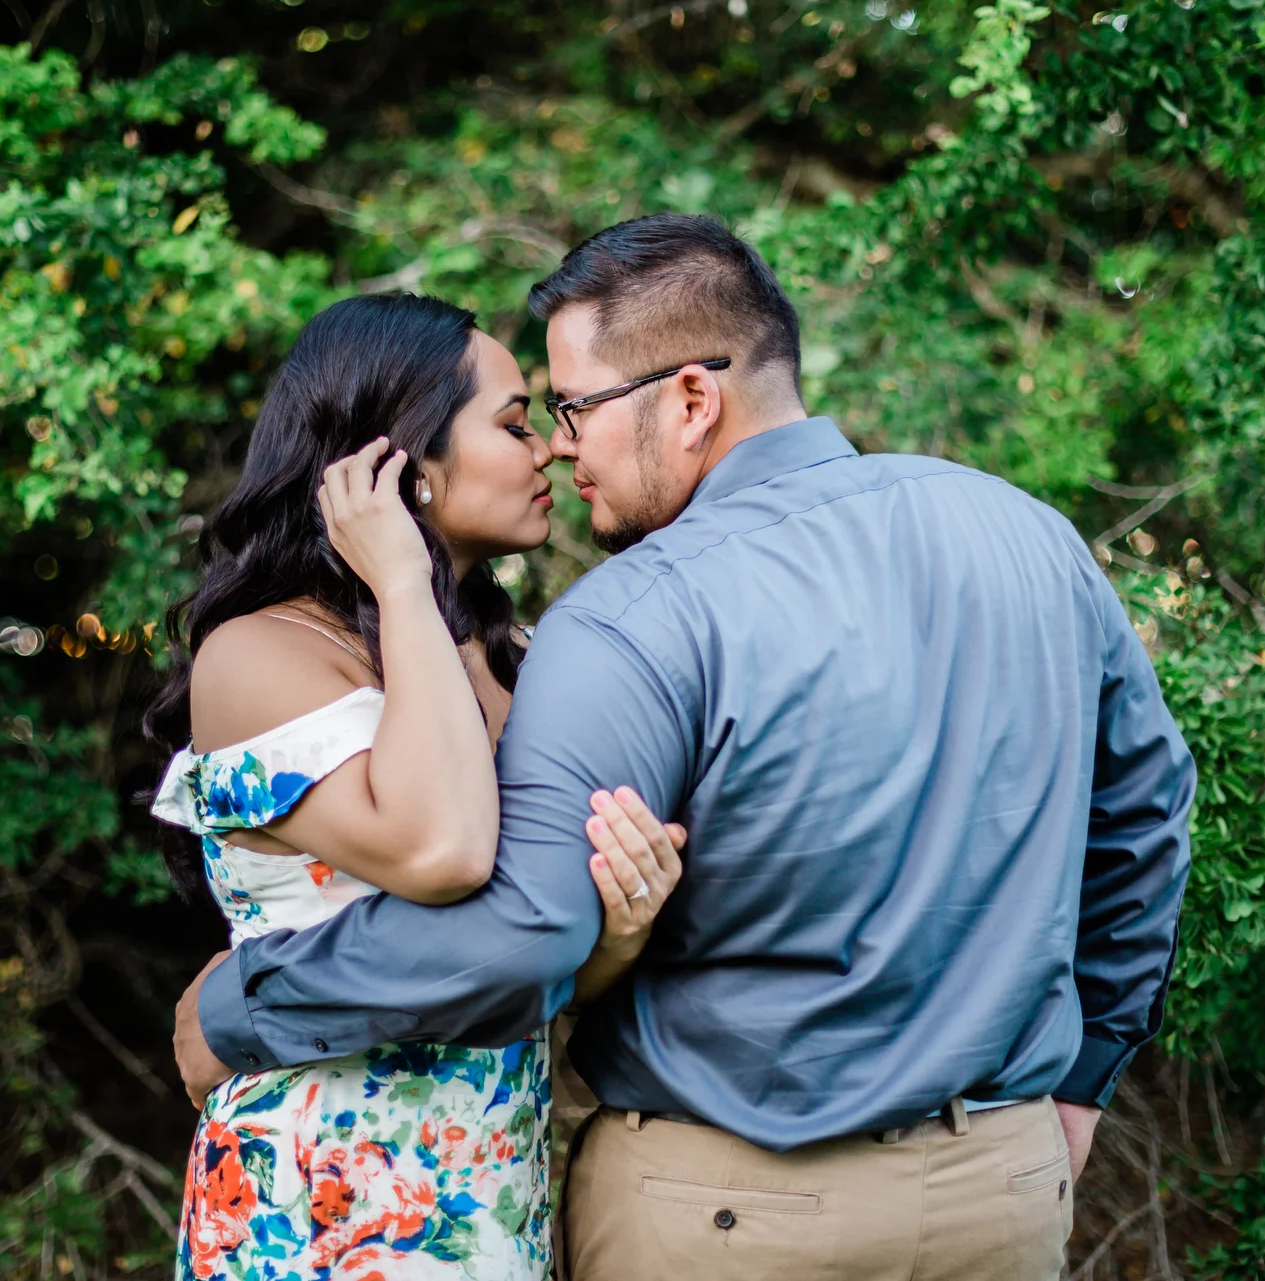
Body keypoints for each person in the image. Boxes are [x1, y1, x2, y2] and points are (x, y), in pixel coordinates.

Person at [173, 214, 1196, 1280]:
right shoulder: (1026, 532)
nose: (561, 444)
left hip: (725, 1214)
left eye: (569, 409)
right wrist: (1079, 1081)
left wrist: (243, 1002)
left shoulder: (630, 619)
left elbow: (524, 928)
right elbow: (1148, 814)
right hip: (1003, 1193)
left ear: (693, 399)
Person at [142, 293, 687, 1280]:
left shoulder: (516, 658)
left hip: (486, 1196)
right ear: (401, 464)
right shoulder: (261, 654)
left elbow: (526, 971)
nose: (553, 452)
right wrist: (399, 578)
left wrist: (618, 933)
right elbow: (443, 852)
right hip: (319, 1204)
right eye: (517, 423)